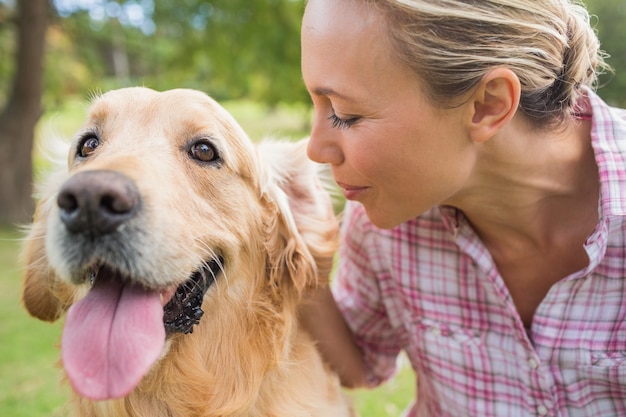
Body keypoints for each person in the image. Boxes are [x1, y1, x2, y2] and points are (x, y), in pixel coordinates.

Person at [298, 0, 626, 415]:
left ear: (489, 104)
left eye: (345, 114)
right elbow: (360, 365)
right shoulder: (384, 224)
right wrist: (296, 253)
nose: (315, 149)